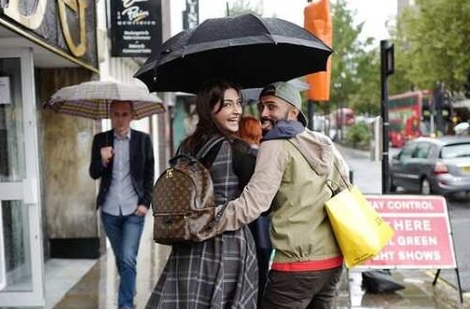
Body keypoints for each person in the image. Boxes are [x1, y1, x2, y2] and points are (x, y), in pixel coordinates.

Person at [208, 81, 350, 309]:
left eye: (272, 107)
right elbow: (345, 192)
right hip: (331, 264)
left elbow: (253, 204)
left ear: (293, 112)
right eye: (262, 106)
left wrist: (207, 219)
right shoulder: (325, 143)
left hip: (296, 265)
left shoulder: (276, 144)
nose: (264, 113)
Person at [146, 80, 258, 309]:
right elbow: (263, 205)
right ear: (209, 108)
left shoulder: (185, 147)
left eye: (238, 103)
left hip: (188, 243)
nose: (237, 110)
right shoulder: (238, 150)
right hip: (227, 245)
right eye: (227, 105)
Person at [89, 101, 155, 309]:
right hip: (109, 211)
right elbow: (94, 173)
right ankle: (129, 284)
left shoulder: (143, 141)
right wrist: (102, 160)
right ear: (110, 114)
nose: (120, 119)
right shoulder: (101, 140)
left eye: (124, 114)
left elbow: (149, 174)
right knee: (122, 260)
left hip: (134, 210)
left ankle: (125, 305)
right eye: (116, 114)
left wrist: (145, 204)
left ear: (132, 116)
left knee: (127, 258)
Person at [238, 115, 273, 307]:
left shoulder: (243, 157)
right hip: (264, 224)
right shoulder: (265, 157)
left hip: (248, 223)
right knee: (262, 268)